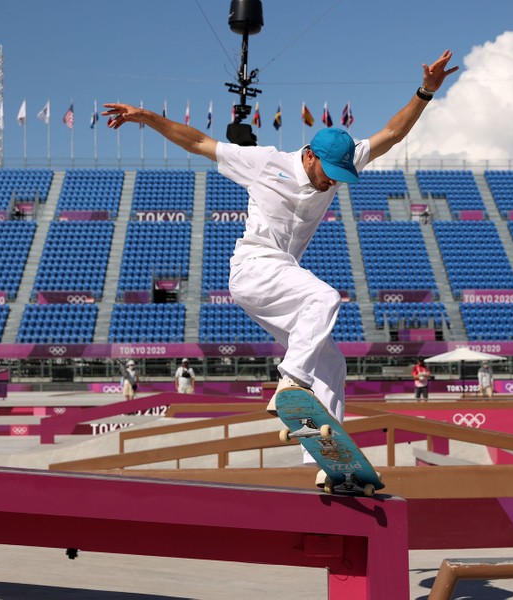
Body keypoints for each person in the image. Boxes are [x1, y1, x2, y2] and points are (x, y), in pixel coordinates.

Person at [104, 50, 458, 473]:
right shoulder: (264, 161)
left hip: (280, 279)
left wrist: (425, 92)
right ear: (309, 155)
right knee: (325, 298)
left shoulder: (341, 160)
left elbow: (391, 134)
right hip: (254, 267)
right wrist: (146, 116)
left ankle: (323, 459)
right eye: (328, 173)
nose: (332, 182)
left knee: (331, 363)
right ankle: (289, 381)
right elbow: (198, 141)